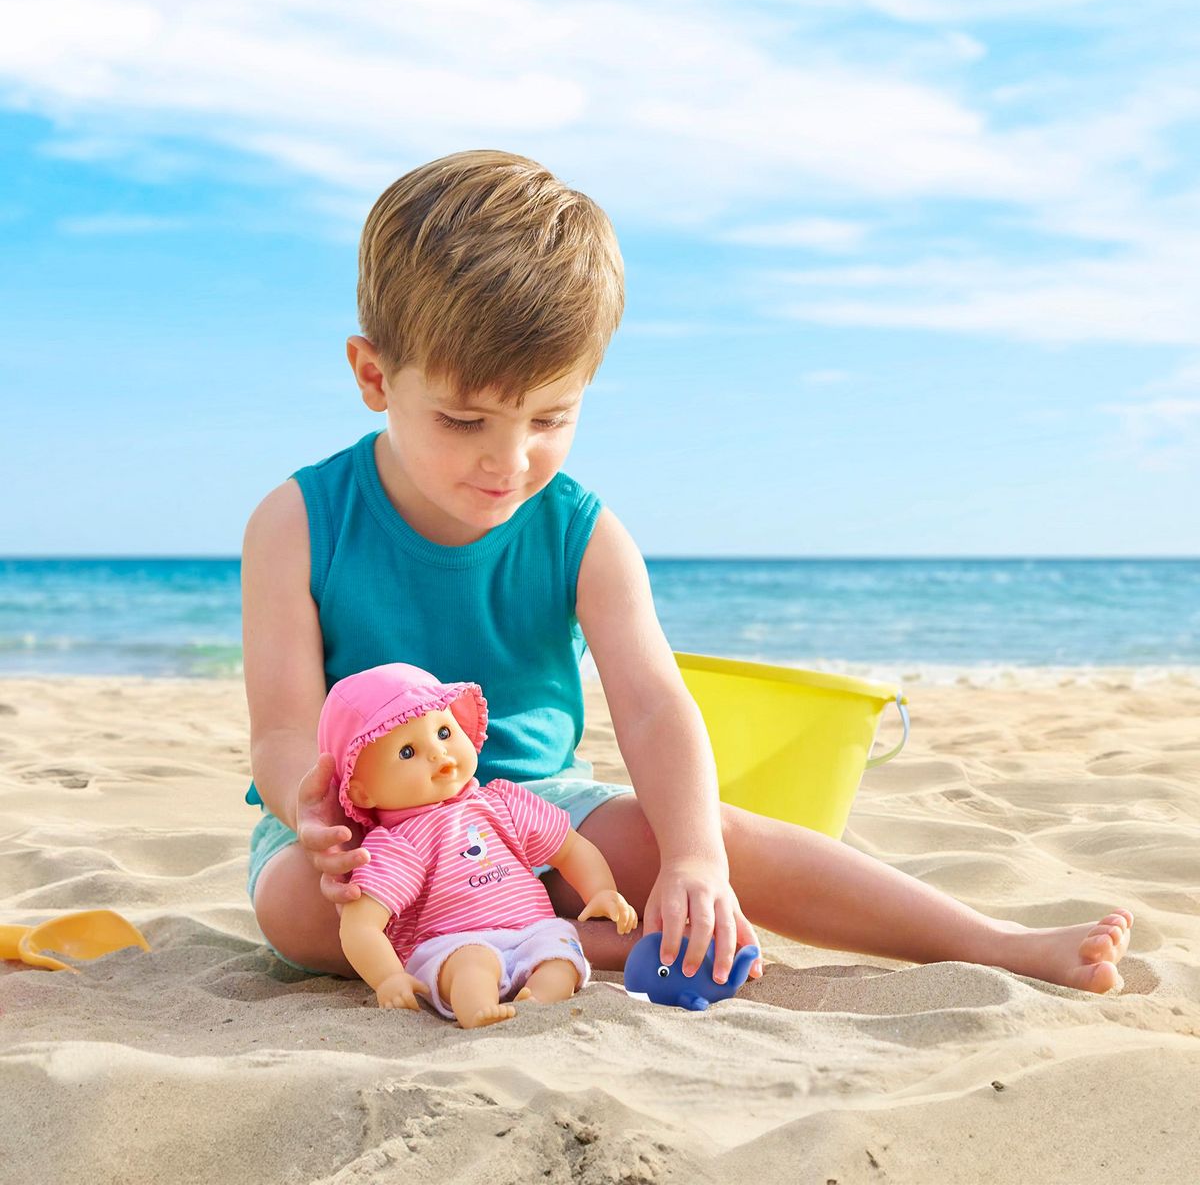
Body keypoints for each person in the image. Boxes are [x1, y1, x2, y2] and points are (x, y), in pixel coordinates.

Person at [242, 149, 1132, 994]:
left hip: (534, 814)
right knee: (295, 910)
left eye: (550, 418)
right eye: (465, 421)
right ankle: (577, 940)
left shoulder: (581, 533)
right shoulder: (299, 523)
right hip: (373, 831)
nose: (508, 463)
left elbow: (653, 703)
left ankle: (995, 944)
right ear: (372, 374)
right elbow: (284, 730)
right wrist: (312, 810)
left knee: (713, 836)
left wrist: (695, 858)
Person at [325, 661, 637, 1028]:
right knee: (473, 963)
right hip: (453, 941)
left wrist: (600, 890)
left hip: (530, 928)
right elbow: (361, 925)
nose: (439, 754)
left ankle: (539, 1000)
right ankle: (477, 1009)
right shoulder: (398, 844)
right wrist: (388, 976)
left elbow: (569, 847)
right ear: (362, 791)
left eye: (443, 732)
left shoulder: (502, 802)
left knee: (560, 954)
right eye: (407, 752)